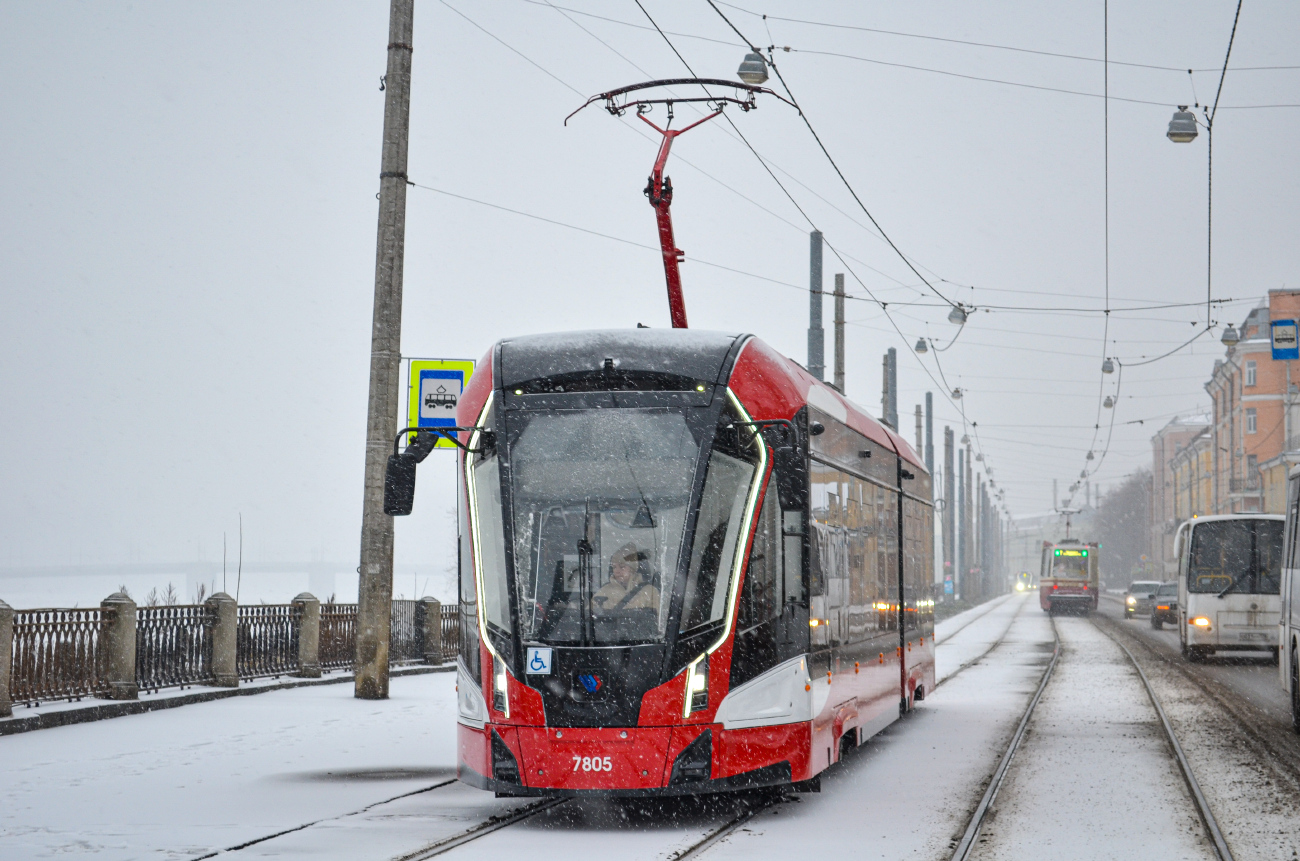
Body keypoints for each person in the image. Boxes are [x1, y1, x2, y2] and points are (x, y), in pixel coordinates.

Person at [594, 542, 660, 612]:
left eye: (622, 567)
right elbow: (589, 616)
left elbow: (658, 619)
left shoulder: (650, 592)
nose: (617, 571)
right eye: (614, 567)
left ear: (632, 570)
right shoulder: (603, 591)